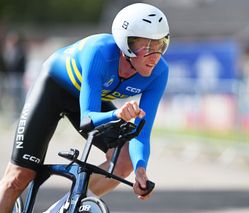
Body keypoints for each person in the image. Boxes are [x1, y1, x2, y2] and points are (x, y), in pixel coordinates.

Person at [0, 3, 170, 212]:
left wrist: (141, 170)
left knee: (124, 161)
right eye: (147, 47)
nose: (155, 56)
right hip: (53, 89)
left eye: (161, 45)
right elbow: (87, 119)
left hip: (87, 99)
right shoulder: (99, 51)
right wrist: (117, 113)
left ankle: (61, 209)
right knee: (18, 177)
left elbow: (141, 136)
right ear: (126, 44)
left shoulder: (159, 73)